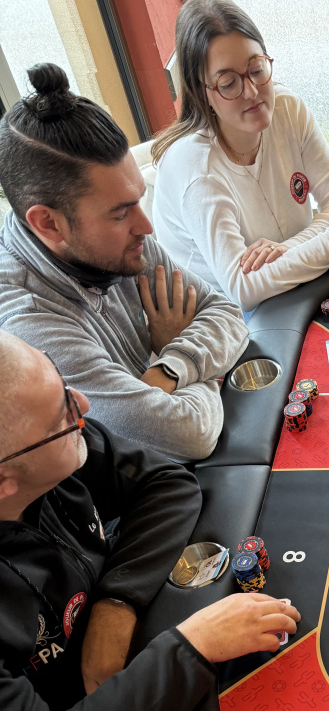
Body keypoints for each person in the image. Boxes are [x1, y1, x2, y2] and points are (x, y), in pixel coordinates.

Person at [0, 333, 301, 711]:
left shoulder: (55, 444)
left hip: (121, 661)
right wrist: (191, 647)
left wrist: (117, 604)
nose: (83, 406)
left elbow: (166, 482)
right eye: (60, 414)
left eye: (64, 387)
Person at [0, 64, 248, 463]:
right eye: (119, 213)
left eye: (138, 199)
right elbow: (189, 434)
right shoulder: (28, 326)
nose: (146, 226)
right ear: (48, 223)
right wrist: (200, 364)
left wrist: (168, 369)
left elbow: (226, 313)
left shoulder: (120, 243)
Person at [152, 0, 329, 313]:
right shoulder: (196, 169)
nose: (252, 92)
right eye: (228, 83)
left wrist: (286, 249)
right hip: (223, 315)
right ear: (202, 93)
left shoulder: (287, 108)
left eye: (256, 69)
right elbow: (243, 288)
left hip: (294, 286)